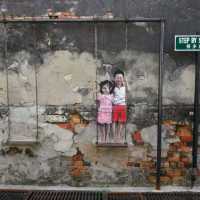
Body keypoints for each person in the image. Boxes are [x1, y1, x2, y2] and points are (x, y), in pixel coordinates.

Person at [112, 69, 127, 143]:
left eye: (120, 77)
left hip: (123, 106)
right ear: (114, 79)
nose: (119, 79)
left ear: (123, 79)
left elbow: (129, 90)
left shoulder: (125, 87)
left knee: (121, 122)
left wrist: (126, 81)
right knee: (114, 121)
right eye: (117, 77)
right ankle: (114, 136)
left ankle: (119, 136)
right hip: (115, 106)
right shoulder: (113, 88)